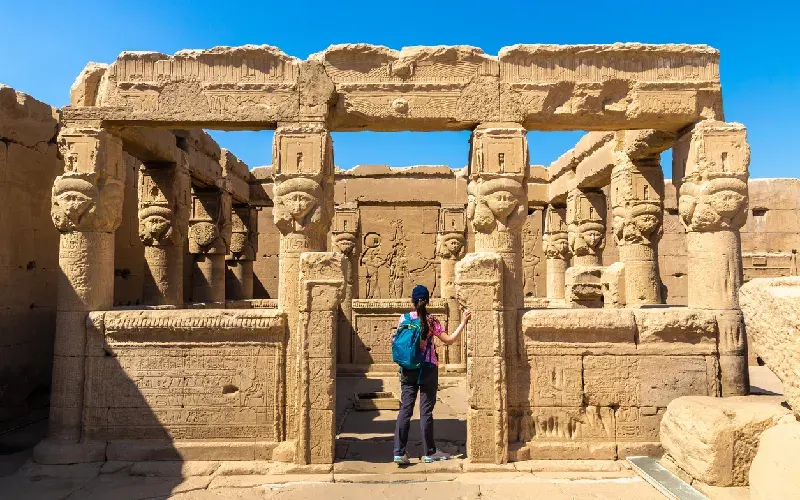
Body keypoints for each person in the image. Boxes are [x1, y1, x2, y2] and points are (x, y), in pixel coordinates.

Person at [393, 284, 471, 465]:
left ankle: (399, 452)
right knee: (426, 412)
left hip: (408, 369)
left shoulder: (403, 319)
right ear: (428, 301)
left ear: (412, 301)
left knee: (405, 409)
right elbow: (449, 340)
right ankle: (429, 452)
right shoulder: (431, 321)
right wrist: (463, 322)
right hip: (428, 368)